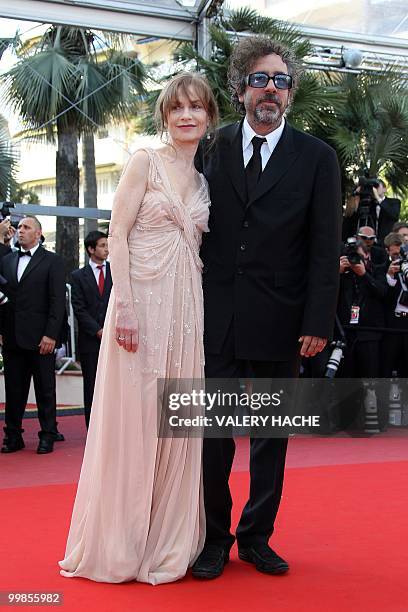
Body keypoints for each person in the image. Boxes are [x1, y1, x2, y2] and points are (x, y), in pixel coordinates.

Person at [59, 72, 218, 585]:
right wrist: (122, 306)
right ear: (165, 116)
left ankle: (166, 539)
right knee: (135, 417)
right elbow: (119, 235)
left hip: (186, 309)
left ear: (210, 116)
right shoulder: (143, 162)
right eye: (178, 108)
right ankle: (122, 542)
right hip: (140, 306)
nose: (187, 115)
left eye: (197, 107)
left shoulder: (202, 180)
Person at [193, 36, 341, 579]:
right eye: (260, 78)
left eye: (280, 80)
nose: (271, 88)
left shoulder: (318, 157)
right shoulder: (211, 148)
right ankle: (213, 539)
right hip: (215, 320)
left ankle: (257, 538)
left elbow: (326, 246)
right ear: (240, 90)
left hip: (284, 320)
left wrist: (317, 321)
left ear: (291, 93)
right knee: (211, 438)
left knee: (269, 439)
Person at [0, 216, 66, 454]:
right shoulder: (7, 260)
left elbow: (58, 302)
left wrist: (51, 335)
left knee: (45, 390)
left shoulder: (53, 261)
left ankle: (47, 434)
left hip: (41, 339)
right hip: (12, 337)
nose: (21, 231)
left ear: (38, 233)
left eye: (26, 228)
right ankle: (13, 436)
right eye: (19, 228)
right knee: (14, 391)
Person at [71, 231, 112, 428]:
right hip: (91, 341)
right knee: (92, 387)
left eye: (107, 245)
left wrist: (110, 330)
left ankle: (114, 429)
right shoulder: (78, 276)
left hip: (116, 339)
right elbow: (78, 308)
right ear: (91, 249)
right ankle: (93, 430)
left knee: (115, 387)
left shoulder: (116, 271)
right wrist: (98, 331)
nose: (107, 249)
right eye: (103, 245)